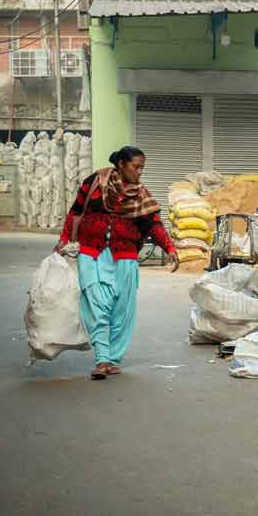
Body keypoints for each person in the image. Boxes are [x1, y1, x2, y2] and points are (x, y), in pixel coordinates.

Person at [55, 145, 179, 380]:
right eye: (136, 166)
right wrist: (63, 239)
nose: (140, 172)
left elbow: (153, 224)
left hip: (125, 257)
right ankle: (102, 358)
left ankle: (113, 359)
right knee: (96, 305)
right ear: (121, 164)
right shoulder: (94, 183)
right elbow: (75, 212)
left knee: (122, 311)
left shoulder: (142, 195)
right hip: (92, 252)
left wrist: (170, 247)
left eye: (143, 167)